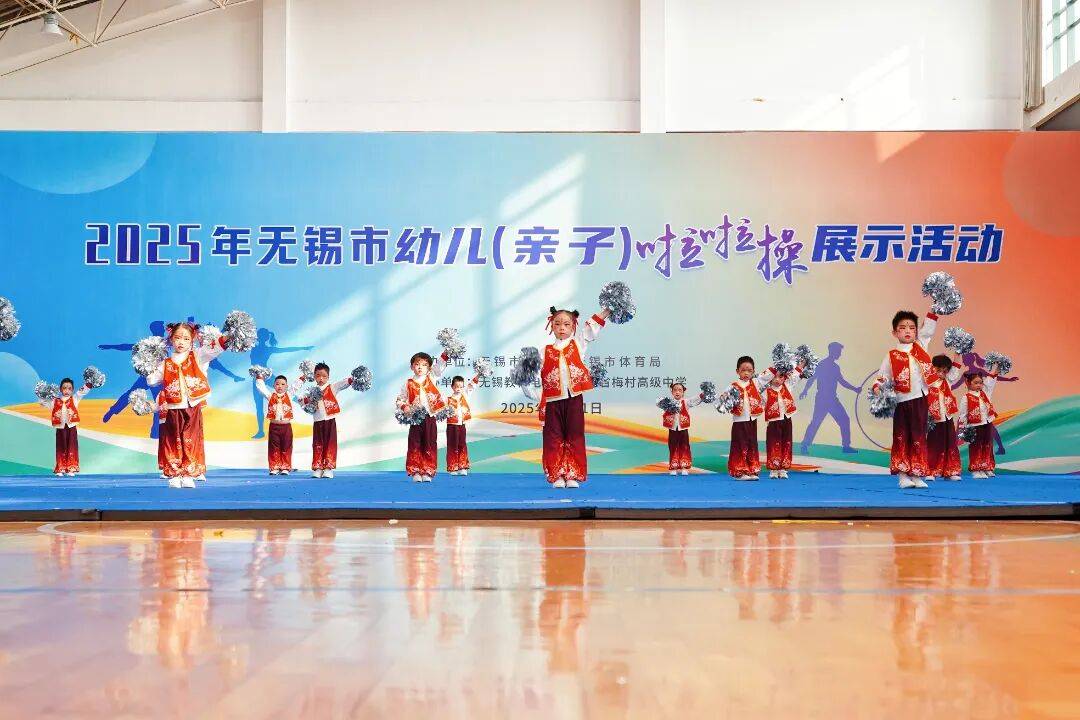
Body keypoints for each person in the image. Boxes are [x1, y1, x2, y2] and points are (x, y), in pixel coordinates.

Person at [871, 309, 940, 489]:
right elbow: (882, 377)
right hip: (901, 401)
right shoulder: (891, 355)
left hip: (920, 399)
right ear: (895, 332)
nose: (908, 331)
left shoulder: (921, 346)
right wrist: (878, 388)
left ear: (916, 331)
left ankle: (917, 475)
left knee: (919, 436)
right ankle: (903, 476)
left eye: (911, 328)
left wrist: (934, 310)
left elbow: (928, 329)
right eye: (902, 328)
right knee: (901, 437)